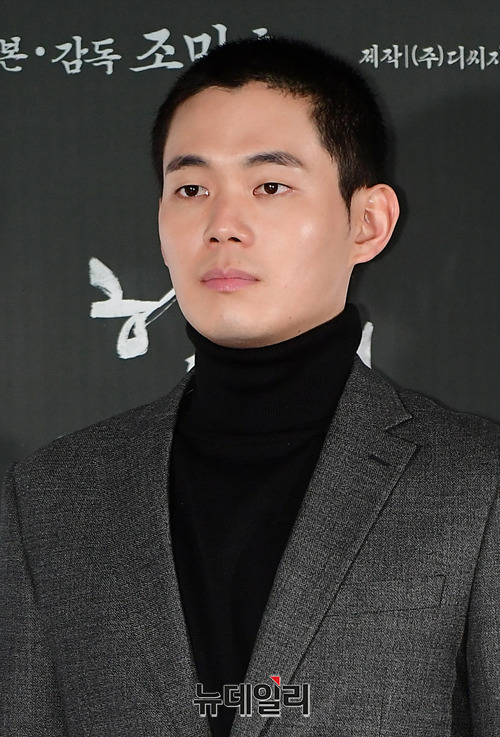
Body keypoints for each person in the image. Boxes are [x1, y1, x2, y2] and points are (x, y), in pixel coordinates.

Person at [1, 36, 499, 737]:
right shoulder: (52, 495)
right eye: (191, 189)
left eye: (269, 186)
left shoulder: (477, 484)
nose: (222, 226)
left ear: (367, 222)